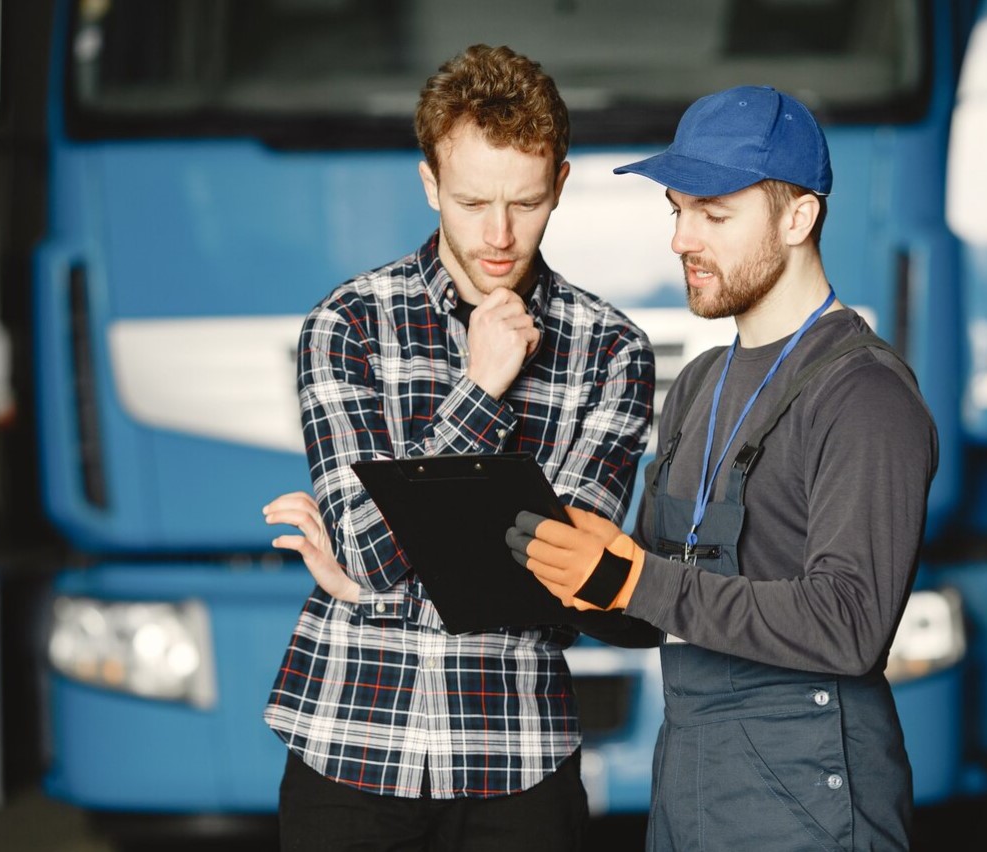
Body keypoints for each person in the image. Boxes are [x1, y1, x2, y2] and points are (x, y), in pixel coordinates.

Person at [506, 85, 939, 850]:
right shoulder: (701, 384)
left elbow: (850, 627)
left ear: (798, 217)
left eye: (714, 214)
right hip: (692, 796)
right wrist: (568, 576)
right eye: (678, 210)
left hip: (811, 806)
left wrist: (633, 577)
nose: (681, 240)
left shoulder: (862, 395)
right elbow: (653, 605)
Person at [261, 44, 655, 852]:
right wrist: (482, 389)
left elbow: (562, 574)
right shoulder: (347, 325)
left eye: (527, 202)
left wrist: (382, 571)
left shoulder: (614, 349)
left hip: (520, 755)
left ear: (562, 186)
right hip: (351, 745)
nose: (501, 235)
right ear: (430, 184)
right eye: (473, 202)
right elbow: (373, 554)